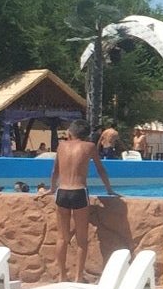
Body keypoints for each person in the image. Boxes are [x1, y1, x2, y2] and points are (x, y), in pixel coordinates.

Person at [47, 119, 114, 280]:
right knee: (81, 240)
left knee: (62, 238)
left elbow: (55, 171)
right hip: (79, 192)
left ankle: (62, 276)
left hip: (62, 192)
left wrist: (52, 188)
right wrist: (109, 189)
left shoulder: (61, 146)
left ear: (70, 132)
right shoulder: (89, 147)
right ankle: (78, 277)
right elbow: (100, 169)